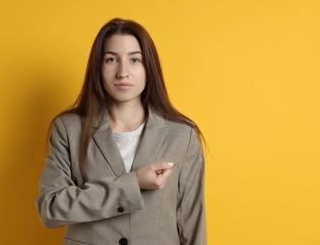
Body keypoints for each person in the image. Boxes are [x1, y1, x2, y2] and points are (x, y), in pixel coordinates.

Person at [36, 18, 207, 245]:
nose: (123, 72)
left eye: (135, 59)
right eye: (111, 59)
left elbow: (192, 222)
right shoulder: (69, 129)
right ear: (98, 66)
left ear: (149, 68)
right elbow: (52, 208)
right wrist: (133, 183)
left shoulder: (182, 136)